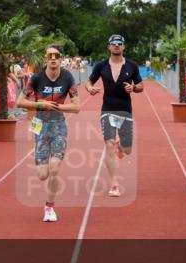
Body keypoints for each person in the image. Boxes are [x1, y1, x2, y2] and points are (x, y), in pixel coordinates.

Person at [16, 46, 81, 223]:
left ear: (61, 59)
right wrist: (40, 105)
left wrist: (57, 107)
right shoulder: (37, 78)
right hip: (40, 126)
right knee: (42, 174)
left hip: (59, 126)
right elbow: (19, 102)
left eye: (56, 56)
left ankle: (49, 207)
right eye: (50, 56)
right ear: (46, 59)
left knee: (54, 169)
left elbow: (77, 106)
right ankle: (40, 161)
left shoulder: (67, 77)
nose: (53, 59)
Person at [84, 34, 143, 197]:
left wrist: (134, 89)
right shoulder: (101, 66)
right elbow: (88, 82)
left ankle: (121, 146)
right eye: (113, 43)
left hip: (125, 110)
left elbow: (140, 85)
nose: (116, 45)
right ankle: (114, 184)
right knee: (108, 145)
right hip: (107, 110)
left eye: (120, 43)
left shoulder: (132, 66)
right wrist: (90, 89)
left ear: (124, 47)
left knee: (128, 150)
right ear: (108, 47)